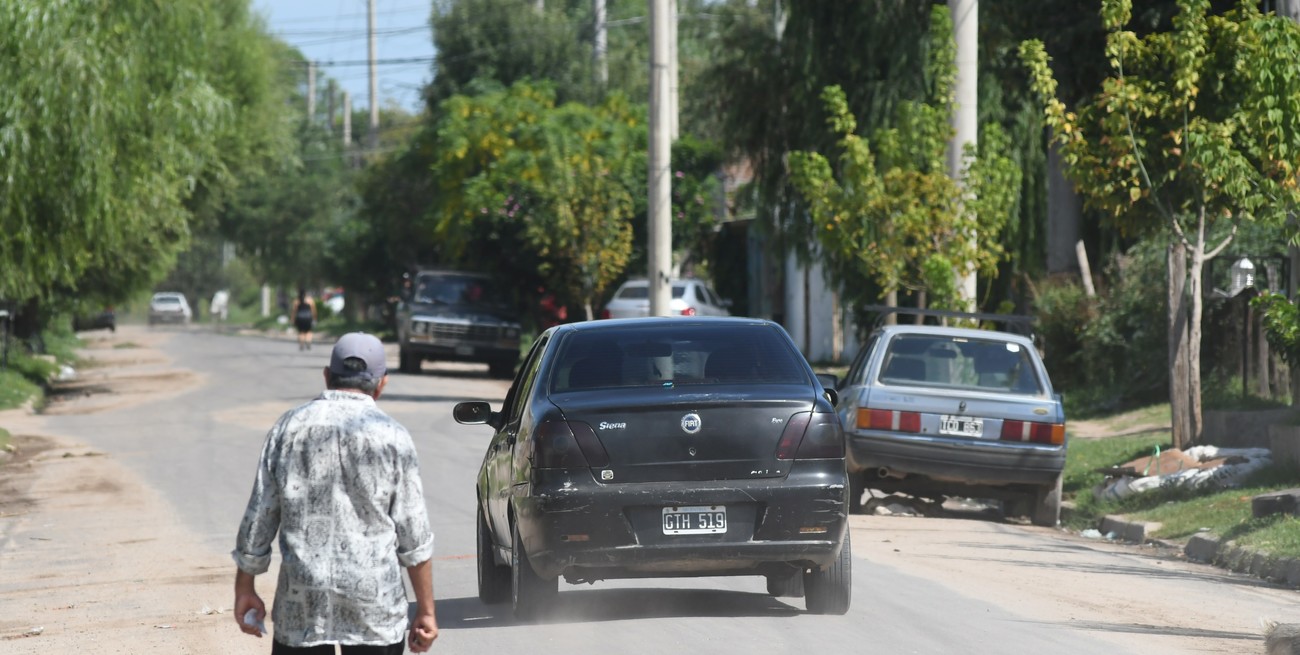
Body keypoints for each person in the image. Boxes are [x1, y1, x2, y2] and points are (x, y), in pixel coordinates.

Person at [231, 332, 439, 654]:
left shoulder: (288, 428)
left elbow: (261, 514)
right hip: (374, 605)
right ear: (382, 383)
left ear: (327, 376)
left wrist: (245, 586)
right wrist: (426, 610)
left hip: (302, 604)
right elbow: (414, 533)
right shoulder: (393, 436)